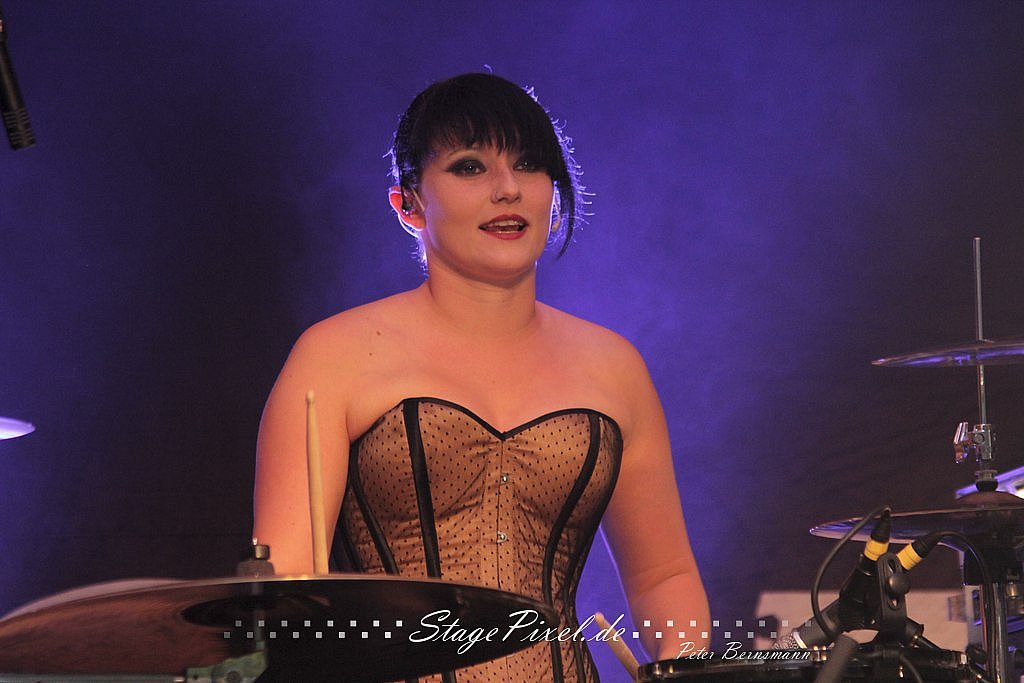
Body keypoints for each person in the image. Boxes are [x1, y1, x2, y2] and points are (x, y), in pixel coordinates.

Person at [252, 73, 710, 682]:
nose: (508, 189)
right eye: (469, 167)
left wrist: (686, 669)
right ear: (408, 204)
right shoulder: (334, 355)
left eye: (529, 164)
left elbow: (664, 576)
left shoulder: (614, 365)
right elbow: (286, 586)